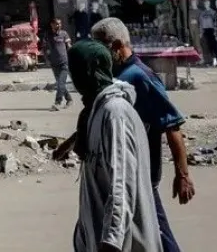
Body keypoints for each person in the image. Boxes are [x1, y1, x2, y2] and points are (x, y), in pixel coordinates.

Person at [84, 17, 194, 252]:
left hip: (141, 174)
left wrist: (182, 174)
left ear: (115, 46)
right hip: (121, 171)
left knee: (159, 235)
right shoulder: (116, 76)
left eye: (99, 47)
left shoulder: (140, 76)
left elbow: (172, 126)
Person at [67, 40, 163, 252]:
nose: (72, 78)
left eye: (76, 70)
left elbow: (122, 184)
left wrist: (111, 241)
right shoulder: (94, 111)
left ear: (91, 71)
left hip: (123, 244)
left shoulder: (115, 113)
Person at [46, 18, 72, 111]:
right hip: (54, 63)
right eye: (57, 24)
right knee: (60, 84)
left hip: (64, 62)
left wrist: (73, 54)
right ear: (52, 25)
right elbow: (45, 49)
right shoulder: (48, 35)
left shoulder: (64, 34)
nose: (59, 25)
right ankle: (69, 99)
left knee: (61, 83)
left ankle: (57, 102)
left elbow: (69, 46)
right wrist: (47, 59)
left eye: (60, 24)